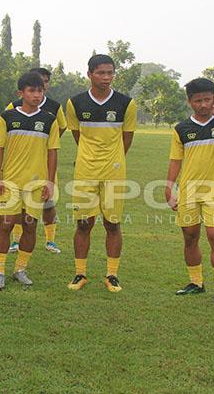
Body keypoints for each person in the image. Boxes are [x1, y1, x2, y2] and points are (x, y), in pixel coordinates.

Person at [65, 54, 136, 292]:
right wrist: (90, 158)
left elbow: (127, 139)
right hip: (85, 172)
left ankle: (112, 274)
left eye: (110, 73)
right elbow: (78, 136)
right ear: (90, 74)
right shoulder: (75, 103)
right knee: (84, 223)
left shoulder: (126, 104)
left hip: (114, 173)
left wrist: (113, 161)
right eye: (101, 73)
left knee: (112, 224)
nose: (106, 77)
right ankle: (80, 273)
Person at [166, 78, 214, 307]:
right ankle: (196, 282)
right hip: (188, 192)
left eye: (208, 99)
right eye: (198, 101)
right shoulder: (181, 129)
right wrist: (169, 188)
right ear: (190, 102)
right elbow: (175, 161)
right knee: (190, 237)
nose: (204, 104)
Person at [0, 72, 60, 290]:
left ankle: (20, 269)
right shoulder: (7, 117)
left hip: (36, 185)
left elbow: (52, 153)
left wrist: (50, 182)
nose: (36, 95)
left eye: (40, 91)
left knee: (30, 226)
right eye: (31, 90)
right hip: (10, 182)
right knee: (6, 224)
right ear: (20, 93)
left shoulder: (49, 120)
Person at [5, 67, 67, 255]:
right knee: (18, 206)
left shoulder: (54, 106)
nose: (42, 86)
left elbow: (61, 128)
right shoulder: (14, 105)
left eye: (45, 82)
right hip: (19, 168)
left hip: (43, 164)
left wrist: (44, 140)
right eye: (38, 83)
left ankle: (50, 240)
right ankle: (16, 241)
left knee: (48, 203)